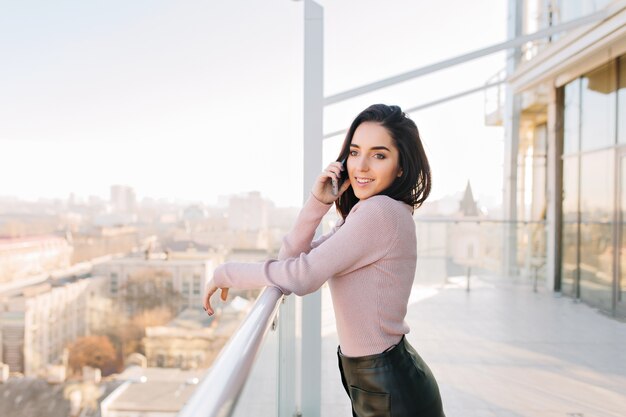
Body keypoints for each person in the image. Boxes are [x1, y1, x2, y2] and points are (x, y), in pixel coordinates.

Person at [204, 104, 445, 417]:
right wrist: (318, 203)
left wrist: (227, 273)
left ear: (401, 167)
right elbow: (292, 260)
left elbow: (301, 276)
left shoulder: (380, 213)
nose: (361, 166)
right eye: (355, 152)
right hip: (379, 377)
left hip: (388, 387)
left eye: (379, 155)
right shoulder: (369, 213)